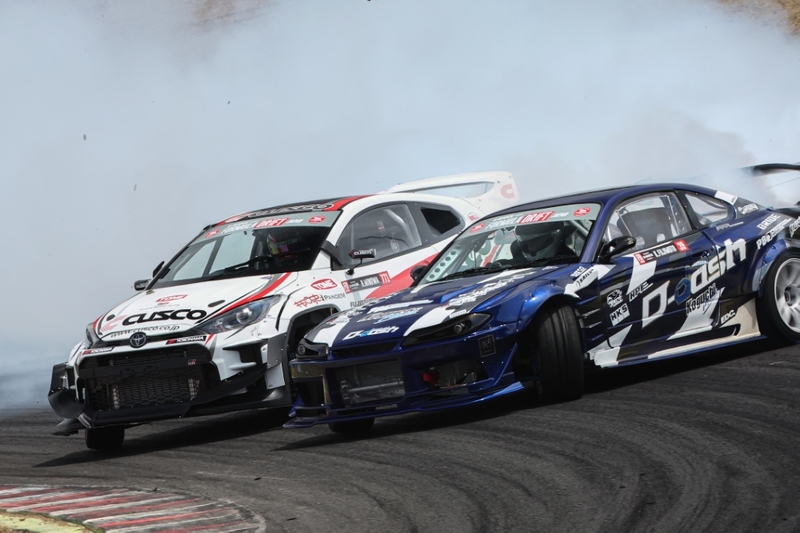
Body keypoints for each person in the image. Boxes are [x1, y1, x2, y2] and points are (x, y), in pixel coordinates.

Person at [511, 221, 577, 262]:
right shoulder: (515, 266)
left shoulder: (571, 262)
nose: (530, 245)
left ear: (549, 237)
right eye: (526, 243)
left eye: (535, 240)